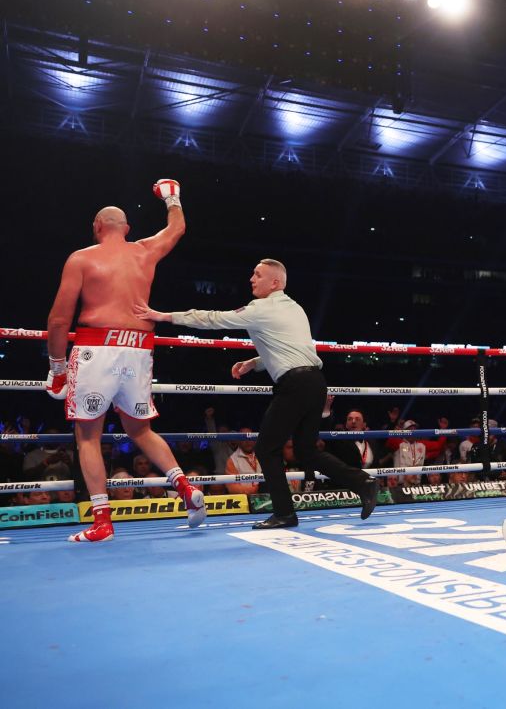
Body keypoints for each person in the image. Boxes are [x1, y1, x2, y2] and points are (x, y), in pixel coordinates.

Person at [134, 258, 378, 528]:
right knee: (306, 451)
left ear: (274, 282)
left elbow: (213, 319)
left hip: (295, 386)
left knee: (266, 448)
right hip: (315, 382)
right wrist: (254, 362)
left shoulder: (261, 308)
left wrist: (164, 316)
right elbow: (290, 347)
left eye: (258, 275)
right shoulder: (295, 308)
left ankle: (284, 513)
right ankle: (363, 482)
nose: (251, 279)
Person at [45, 179, 206, 542]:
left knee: (88, 436)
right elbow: (178, 227)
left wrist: (57, 370)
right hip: (138, 348)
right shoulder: (145, 251)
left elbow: (58, 320)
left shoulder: (83, 258)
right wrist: (171, 195)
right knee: (140, 430)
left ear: (97, 227)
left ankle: (102, 521)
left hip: (96, 347)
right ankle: (183, 487)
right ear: (127, 229)